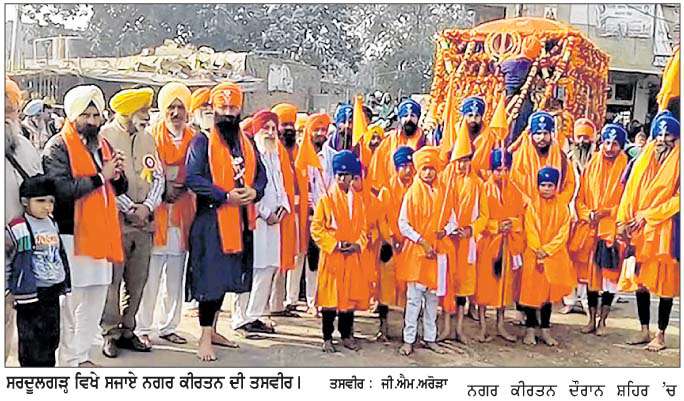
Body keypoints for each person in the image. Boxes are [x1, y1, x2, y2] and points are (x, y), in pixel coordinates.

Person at [43, 85, 128, 367]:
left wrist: (118, 175)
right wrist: (101, 177)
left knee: (96, 297)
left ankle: (80, 356)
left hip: (102, 233)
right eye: (86, 115)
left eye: (95, 115)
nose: (92, 121)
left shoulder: (103, 145)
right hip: (72, 234)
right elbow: (61, 190)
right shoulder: (58, 146)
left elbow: (119, 188)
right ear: (73, 116)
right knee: (71, 302)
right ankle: (66, 360)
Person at [185, 81, 267, 361]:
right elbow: (193, 178)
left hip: (240, 219)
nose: (229, 113)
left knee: (226, 278)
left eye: (233, 108)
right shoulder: (202, 141)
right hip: (212, 219)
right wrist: (224, 195)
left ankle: (215, 331)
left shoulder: (247, 142)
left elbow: (261, 176)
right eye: (224, 107)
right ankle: (204, 338)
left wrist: (254, 191)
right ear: (214, 109)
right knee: (211, 279)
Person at [99, 87, 162, 357]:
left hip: (145, 223)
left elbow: (158, 177)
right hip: (116, 222)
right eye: (142, 111)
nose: (147, 116)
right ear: (127, 112)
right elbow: (106, 182)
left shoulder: (148, 137)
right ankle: (110, 333)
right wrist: (129, 208)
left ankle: (128, 329)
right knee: (112, 281)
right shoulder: (105, 136)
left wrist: (147, 207)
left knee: (138, 280)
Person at [137, 83, 196, 348]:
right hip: (157, 214)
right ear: (163, 109)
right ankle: (142, 327)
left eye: (180, 107)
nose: (175, 113)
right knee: (150, 277)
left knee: (175, 276)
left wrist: (182, 187)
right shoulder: (151, 136)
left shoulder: (194, 138)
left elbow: (199, 170)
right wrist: (163, 190)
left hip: (183, 214)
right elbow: (143, 173)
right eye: (171, 107)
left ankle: (169, 326)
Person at [617, 113, 679, 352]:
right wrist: (623, 222)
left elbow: (678, 199)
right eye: (659, 134)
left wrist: (649, 215)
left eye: (668, 135)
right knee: (640, 281)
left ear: (676, 138)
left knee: (665, 285)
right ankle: (644, 330)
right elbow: (629, 191)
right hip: (638, 228)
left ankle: (660, 335)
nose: (662, 139)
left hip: (665, 230)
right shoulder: (642, 159)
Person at [231, 110, 293, 335]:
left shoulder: (276, 155)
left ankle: (256, 315)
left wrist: (283, 208)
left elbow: (282, 186)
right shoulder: (250, 155)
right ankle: (241, 319)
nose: (270, 133)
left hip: (275, 221)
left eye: (273, 129)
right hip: (256, 220)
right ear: (256, 131)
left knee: (269, 267)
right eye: (265, 128)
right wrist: (266, 213)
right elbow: (246, 190)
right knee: (252, 269)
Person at [6, 175, 71, 366]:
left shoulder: (52, 223)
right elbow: (6, 260)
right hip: (30, 295)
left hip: (52, 292)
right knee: (31, 343)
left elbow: (59, 253)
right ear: (25, 202)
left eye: (51, 201)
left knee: (51, 338)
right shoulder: (18, 228)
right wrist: (7, 290)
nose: (47, 206)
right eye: (40, 201)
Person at [570, 124, 627, 337]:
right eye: (607, 142)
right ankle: (591, 319)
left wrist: (607, 212)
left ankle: (603, 320)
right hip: (590, 228)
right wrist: (587, 214)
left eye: (615, 144)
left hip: (612, 230)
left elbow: (629, 201)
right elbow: (580, 198)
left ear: (621, 146)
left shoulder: (627, 167)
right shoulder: (592, 164)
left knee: (610, 278)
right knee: (591, 277)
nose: (610, 147)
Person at [310, 150, 369, 353]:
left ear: (353, 176)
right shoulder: (326, 200)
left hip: (352, 256)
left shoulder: (358, 201)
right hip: (333, 257)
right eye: (339, 175)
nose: (343, 179)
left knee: (349, 299)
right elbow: (316, 228)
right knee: (330, 299)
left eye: (347, 175)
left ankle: (346, 335)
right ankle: (327, 338)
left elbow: (364, 228)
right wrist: (335, 244)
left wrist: (358, 244)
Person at [396, 146, 453, 356]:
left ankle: (430, 338)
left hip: (438, 254)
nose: (428, 173)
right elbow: (403, 224)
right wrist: (421, 241)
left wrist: (445, 231)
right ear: (418, 170)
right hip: (417, 254)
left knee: (432, 300)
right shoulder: (411, 193)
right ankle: (408, 340)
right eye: (425, 169)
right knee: (413, 301)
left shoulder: (444, 193)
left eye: (432, 169)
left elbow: (453, 219)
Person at [439, 122, 489, 343]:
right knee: (446, 284)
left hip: (467, 243)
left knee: (463, 287)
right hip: (447, 242)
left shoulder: (478, 184)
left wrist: (470, 229)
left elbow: (484, 215)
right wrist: (447, 229)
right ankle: (445, 327)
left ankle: (459, 328)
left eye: (466, 160)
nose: (462, 165)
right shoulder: (443, 181)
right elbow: (438, 209)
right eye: (459, 160)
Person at [5, 77, 44, 363]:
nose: (7, 115)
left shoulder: (26, 149)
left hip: (18, 248)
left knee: (9, 315)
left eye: (11, 109)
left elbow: (40, 196)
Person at [519, 167, 575, 347]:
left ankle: (545, 330)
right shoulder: (532, 205)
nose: (546, 189)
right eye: (543, 185)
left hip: (554, 256)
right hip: (533, 254)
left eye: (550, 185)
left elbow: (563, 233)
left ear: (556, 187)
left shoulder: (563, 207)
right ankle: (530, 330)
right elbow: (530, 228)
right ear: (538, 186)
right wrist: (538, 249)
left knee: (548, 296)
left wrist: (548, 250)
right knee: (530, 293)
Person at [474, 149, 524, 343]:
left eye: (505, 169)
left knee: (504, 285)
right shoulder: (483, 189)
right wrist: (495, 226)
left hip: (507, 243)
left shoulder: (515, 191)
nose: (502, 174)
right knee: (484, 286)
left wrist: (511, 224)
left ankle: (500, 325)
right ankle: (482, 327)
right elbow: (478, 218)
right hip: (487, 244)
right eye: (498, 170)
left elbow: (521, 216)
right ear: (491, 170)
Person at [289, 112, 332, 316]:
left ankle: (314, 301)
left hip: (322, 214)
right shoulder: (298, 154)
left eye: (323, 130)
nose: (320, 133)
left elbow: (332, 185)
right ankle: (291, 299)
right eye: (316, 130)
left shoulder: (331, 156)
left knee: (316, 259)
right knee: (298, 256)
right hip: (300, 213)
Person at [375, 146, 415, 340]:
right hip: (390, 245)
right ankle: (383, 327)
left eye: (410, 166)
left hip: (410, 244)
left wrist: (409, 238)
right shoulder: (386, 190)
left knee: (410, 287)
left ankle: (409, 328)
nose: (408, 170)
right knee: (385, 285)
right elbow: (381, 219)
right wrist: (390, 238)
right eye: (404, 166)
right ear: (396, 167)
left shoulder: (416, 190)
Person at [561, 118, 598, 315]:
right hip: (568, 217)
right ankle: (569, 299)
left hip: (589, 218)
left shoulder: (597, 161)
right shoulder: (566, 160)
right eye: (579, 137)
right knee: (567, 259)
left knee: (585, 261)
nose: (583, 141)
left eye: (586, 137)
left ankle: (585, 301)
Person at [268, 103, 299, 317]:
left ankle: (278, 305)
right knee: (271, 260)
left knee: (284, 258)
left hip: (291, 211)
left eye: (291, 124)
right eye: (284, 124)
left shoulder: (296, 150)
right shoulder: (272, 148)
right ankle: (267, 307)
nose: (288, 129)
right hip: (273, 212)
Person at [510, 110, 576, 205]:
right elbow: (513, 184)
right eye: (538, 133)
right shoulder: (518, 157)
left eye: (545, 133)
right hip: (525, 209)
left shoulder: (561, 158)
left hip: (554, 210)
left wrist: (559, 202)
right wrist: (526, 202)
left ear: (550, 134)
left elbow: (569, 184)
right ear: (531, 134)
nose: (542, 137)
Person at [369, 98, 427, 193]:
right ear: (400, 119)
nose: (409, 119)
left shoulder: (425, 142)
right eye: (405, 116)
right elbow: (376, 170)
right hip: (391, 195)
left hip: (417, 194)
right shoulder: (388, 141)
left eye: (412, 115)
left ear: (418, 118)